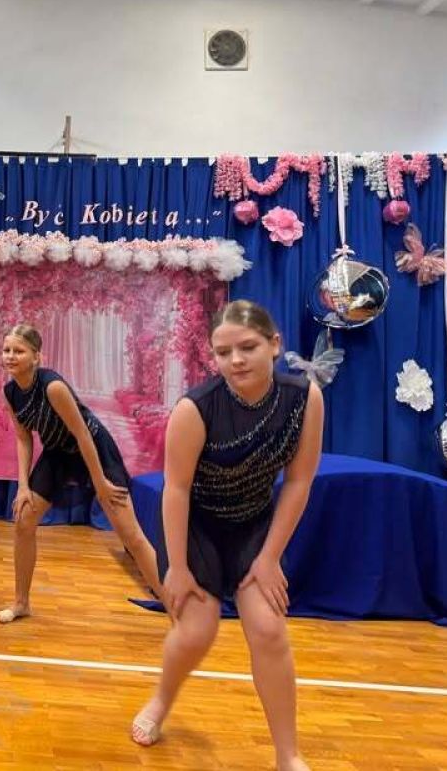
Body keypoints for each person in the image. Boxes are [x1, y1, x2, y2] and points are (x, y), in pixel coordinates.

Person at [131, 300, 323, 771]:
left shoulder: (305, 398)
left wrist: (269, 557)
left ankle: (287, 755)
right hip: (194, 527)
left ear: (275, 344)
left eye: (248, 347)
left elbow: (299, 482)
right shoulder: (195, 408)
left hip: (253, 524)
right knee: (197, 631)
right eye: (223, 352)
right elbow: (175, 490)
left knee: (269, 630)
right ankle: (160, 701)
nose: (235, 360)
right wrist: (176, 567)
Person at [0, 323, 164, 624]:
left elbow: (83, 433)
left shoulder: (52, 386)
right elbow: (23, 439)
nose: (10, 356)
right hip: (58, 452)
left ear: (36, 356)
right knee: (24, 520)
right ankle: (21, 603)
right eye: (6, 350)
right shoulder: (10, 392)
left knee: (130, 534)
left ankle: (174, 606)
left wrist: (100, 484)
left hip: (93, 447)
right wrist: (22, 486)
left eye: (18, 351)